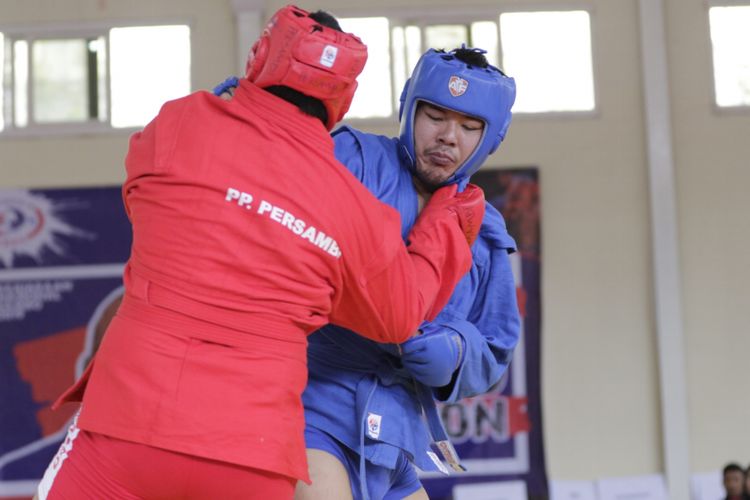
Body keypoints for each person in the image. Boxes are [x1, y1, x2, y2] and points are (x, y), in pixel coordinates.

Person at [35, 7, 485, 500]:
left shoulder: (179, 124)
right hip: (253, 455)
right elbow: (399, 315)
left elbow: (140, 189)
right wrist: (447, 222)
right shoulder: (353, 205)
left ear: (260, 56)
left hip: (126, 427)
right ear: (343, 97)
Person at [217, 45, 519, 499]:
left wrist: (457, 351)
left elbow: (495, 348)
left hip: (397, 438)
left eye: (469, 126)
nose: (448, 137)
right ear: (408, 109)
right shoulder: (350, 161)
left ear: (490, 138)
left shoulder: (485, 231)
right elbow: (267, 215)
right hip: (308, 410)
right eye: (435, 117)